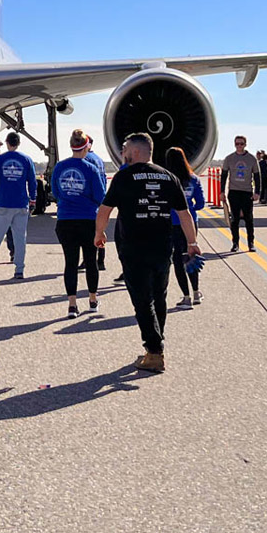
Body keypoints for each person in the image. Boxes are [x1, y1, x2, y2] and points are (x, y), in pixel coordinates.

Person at [95, 133, 200, 373]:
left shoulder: (124, 176)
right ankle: (155, 346)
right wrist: (192, 242)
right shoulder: (168, 176)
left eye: (125, 150)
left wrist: (99, 234)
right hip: (163, 245)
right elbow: (184, 213)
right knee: (159, 296)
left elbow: (105, 209)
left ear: (137, 151)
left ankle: (154, 351)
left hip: (134, 247)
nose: (123, 153)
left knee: (142, 300)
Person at [51, 129, 106, 318]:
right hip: (88, 219)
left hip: (66, 219)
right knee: (91, 261)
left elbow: (55, 191)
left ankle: (72, 305)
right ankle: (92, 299)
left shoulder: (59, 167)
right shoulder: (91, 169)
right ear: (86, 147)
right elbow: (100, 196)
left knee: (70, 263)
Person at [0, 131, 36, 279]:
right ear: (18, 143)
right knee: (20, 239)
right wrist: (33, 199)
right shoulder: (27, 160)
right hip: (21, 204)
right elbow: (32, 181)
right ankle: (19, 269)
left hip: (3, 203)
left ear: (7, 143)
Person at [164, 147, 206, 307]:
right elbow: (201, 203)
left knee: (177, 259)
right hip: (191, 222)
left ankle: (186, 296)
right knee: (191, 255)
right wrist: (190, 209)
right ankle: (196, 292)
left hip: (173, 222)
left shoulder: (168, 180)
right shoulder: (193, 179)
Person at [220, 135, 260, 252]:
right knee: (235, 219)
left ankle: (251, 243)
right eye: (237, 144)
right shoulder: (229, 158)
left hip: (247, 192)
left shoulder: (252, 159)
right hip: (234, 191)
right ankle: (235, 243)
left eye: (241, 144)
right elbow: (224, 176)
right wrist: (222, 191)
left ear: (245, 144)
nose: (239, 146)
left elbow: (257, 177)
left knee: (249, 219)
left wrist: (257, 192)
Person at [83, 136, 109, 271]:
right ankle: (101, 260)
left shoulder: (86, 159)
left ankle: (89, 260)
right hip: (100, 197)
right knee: (100, 229)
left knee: (89, 232)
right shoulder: (98, 159)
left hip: (90, 199)